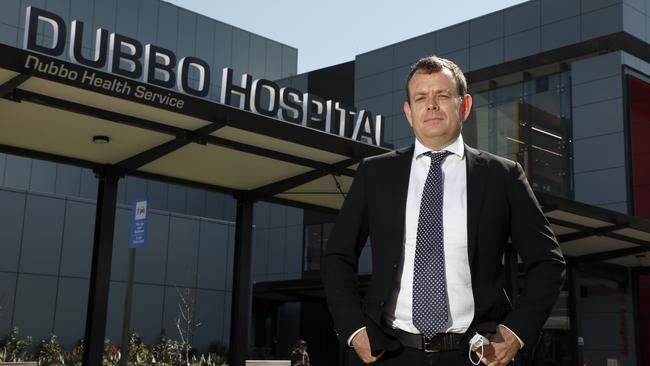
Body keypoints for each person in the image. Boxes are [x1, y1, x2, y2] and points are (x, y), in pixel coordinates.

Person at [321, 55, 566, 366]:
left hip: (477, 354)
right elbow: (337, 257)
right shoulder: (375, 173)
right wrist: (354, 330)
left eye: (443, 95)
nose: (432, 105)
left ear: (463, 106)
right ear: (409, 113)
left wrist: (515, 332)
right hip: (387, 353)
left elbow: (548, 262)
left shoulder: (503, 176)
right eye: (421, 97)